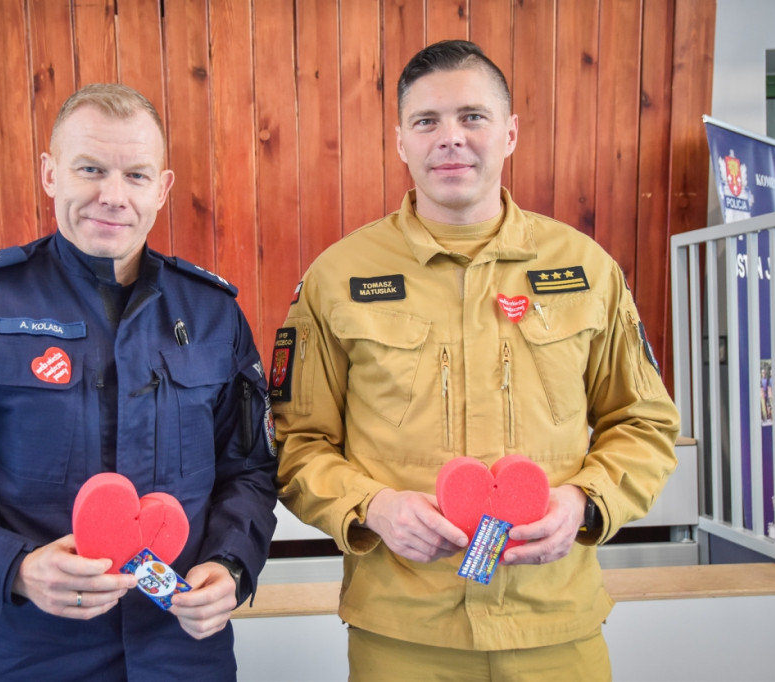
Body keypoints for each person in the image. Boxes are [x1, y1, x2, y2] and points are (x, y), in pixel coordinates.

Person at [272, 40, 679, 681]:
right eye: (426, 121)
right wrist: (371, 506)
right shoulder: (338, 279)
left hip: (555, 627)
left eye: (473, 117)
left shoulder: (587, 270)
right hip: (403, 634)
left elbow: (645, 423)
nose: (450, 138)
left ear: (510, 132)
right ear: (401, 140)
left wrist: (584, 501)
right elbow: (298, 443)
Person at [0, 83, 278, 681]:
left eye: (135, 175)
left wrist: (233, 564)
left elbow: (250, 471)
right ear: (51, 174)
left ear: (162, 188)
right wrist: (13, 566)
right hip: (24, 653)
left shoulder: (213, 314)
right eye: (90, 169)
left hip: (182, 655)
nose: (112, 196)